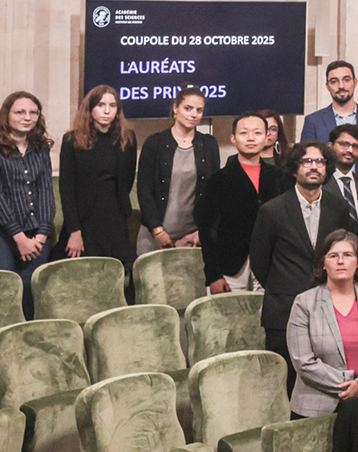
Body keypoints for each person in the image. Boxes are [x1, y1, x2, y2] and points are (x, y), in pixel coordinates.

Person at [250, 140, 357, 365]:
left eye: (320, 161)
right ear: (294, 167)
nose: (314, 166)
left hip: (329, 306)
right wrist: (285, 286)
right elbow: (260, 262)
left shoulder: (338, 207)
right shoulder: (272, 210)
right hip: (283, 311)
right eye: (306, 161)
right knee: (285, 383)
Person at [286, 229, 358, 418]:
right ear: (324, 264)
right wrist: (349, 384)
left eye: (348, 255)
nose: (341, 261)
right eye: (333, 256)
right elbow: (302, 361)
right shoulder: (304, 303)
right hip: (315, 407)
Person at [0, 91, 55, 313]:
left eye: (33, 112)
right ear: (7, 115)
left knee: (34, 295)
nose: (27, 117)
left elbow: (46, 192)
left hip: (37, 236)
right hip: (3, 235)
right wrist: (19, 238)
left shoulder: (41, 149)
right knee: (6, 298)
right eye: (20, 112)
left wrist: (42, 234)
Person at [197, 113, 281, 295]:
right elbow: (207, 229)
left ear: (267, 137)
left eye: (257, 133)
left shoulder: (278, 177)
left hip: (270, 266)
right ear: (233, 139)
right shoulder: (218, 179)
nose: (250, 138)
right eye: (244, 133)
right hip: (229, 267)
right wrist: (213, 275)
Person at [58, 85, 138, 262]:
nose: (107, 111)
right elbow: (67, 189)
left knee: (119, 270)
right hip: (84, 219)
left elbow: (127, 180)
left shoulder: (127, 138)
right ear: (90, 108)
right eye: (101, 105)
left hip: (116, 218)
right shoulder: (72, 140)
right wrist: (74, 231)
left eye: (112, 105)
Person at [136, 86, 219, 257]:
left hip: (194, 236)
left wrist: (202, 231)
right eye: (188, 108)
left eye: (199, 110)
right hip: (155, 234)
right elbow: (144, 190)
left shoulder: (209, 144)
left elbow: (214, 193)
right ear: (176, 108)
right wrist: (157, 231)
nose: (193, 114)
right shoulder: (155, 143)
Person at [300, 61, 358, 179]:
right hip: (326, 192)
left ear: (355, 82)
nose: (341, 86)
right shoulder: (313, 121)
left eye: (346, 80)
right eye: (334, 81)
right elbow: (306, 161)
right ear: (327, 86)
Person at [323, 124, 358, 224]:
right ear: (330, 146)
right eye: (344, 144)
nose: (350, 150)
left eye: (355, 146)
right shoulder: (321, 183)